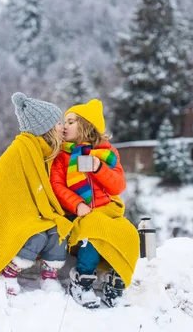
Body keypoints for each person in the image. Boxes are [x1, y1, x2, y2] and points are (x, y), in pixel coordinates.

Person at [0, 92, 73, 296]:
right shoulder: (17, 154)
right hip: (16, 217)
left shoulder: (46, 152)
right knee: (36, 234)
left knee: (59, 230)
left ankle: (49, 276)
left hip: (38, 214)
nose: (63, 127)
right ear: (46, 128)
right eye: (58, 123)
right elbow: (7, 196)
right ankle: (8, 273)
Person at [51, 99, 139, 308]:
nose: (65, 126)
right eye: (65, 121)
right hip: (80, 215)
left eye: (71, 121)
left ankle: (116, 285)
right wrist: (77, 204)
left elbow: (118, 187)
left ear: (86, 126)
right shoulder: (61, 156)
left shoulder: (108, 154)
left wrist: (99, 168)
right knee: (93, 227)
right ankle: (82, 281)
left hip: (109, 212)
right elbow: (57, 186)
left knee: (129, 233)